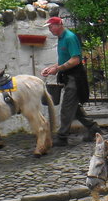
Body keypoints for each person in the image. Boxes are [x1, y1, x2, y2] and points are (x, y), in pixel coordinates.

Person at [42, 16, 102, 146]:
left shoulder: (69, 37)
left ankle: (62, 137)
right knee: (73, 107)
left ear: (58, 25)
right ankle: (93, 128)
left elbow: (76, 59)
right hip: (68, 76)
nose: (50, 29)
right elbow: (65, 59)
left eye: (51, 26)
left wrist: (58, 69)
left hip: (75, 77)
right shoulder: (61, 38)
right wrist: (52, 68)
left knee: (67, 107)